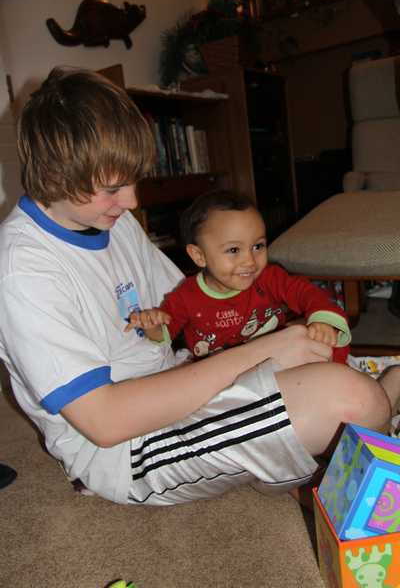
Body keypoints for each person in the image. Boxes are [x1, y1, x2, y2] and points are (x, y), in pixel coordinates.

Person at [0, 65, 399, 507]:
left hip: (178, 374)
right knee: (356, 401)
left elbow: (197, 307)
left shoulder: (112, 220)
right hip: (122, 449)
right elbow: (104, 421)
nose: (131, 201)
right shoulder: (22, 271)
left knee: (326, 357)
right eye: (113, 188)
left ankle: (324, 443)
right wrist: (263, 354)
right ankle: (334, 457)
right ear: (55, 175)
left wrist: (267, 333)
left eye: (132, 181)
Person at [125, 189, 350, 363]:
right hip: (223, 374)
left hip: (274, 358)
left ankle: (338, 378)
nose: (250, 261)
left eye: (258, 246)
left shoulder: (269, 278)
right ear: (199, 256)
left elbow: (307, 293)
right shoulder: (186, 295)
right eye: (234, 250)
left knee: (325, 337)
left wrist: (322, 321)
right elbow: (165, 333)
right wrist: (153, 325)